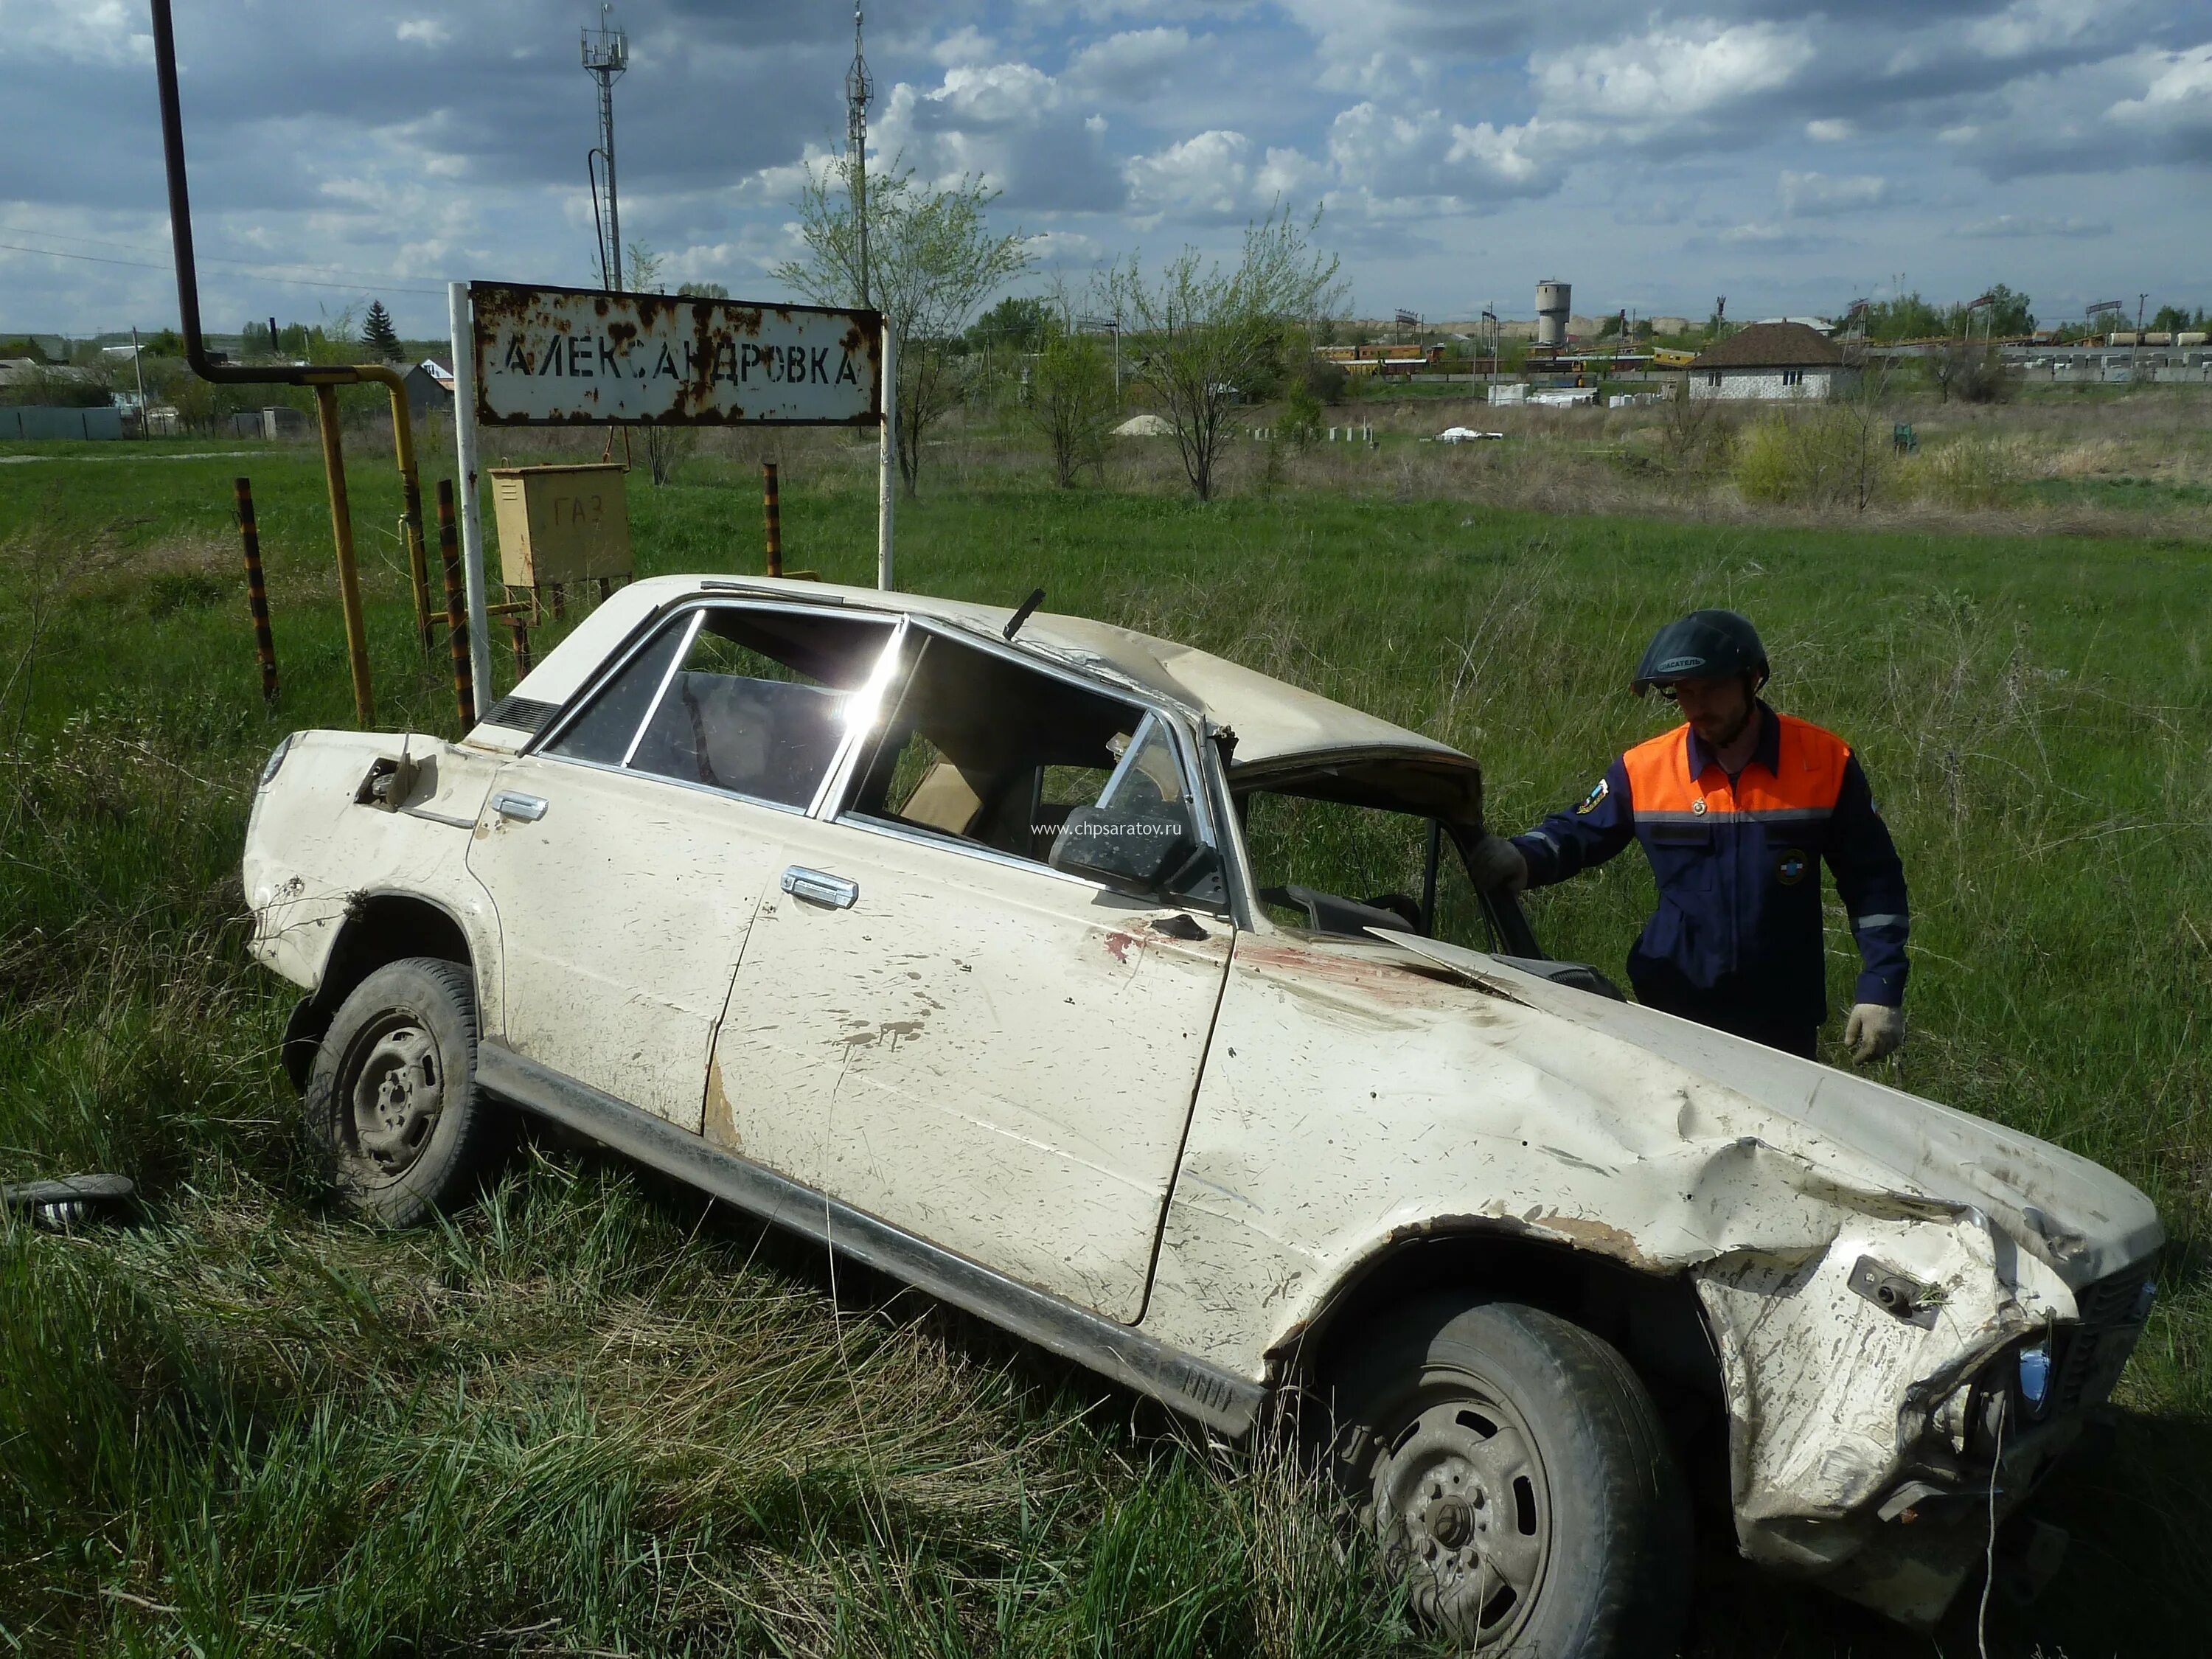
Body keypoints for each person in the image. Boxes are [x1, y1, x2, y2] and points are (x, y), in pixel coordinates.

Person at [1470, 610, 1909, 1063]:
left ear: (1753, 678)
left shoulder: (1825, 762)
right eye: (1684, 693)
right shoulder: (1645, 768)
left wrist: (1882, 988)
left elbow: (1873, 880)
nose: (1698, 707)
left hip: (1781, 1016)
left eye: (1712, 688)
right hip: (1671, 1005)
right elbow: (1578, 831)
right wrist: (1520, 856)